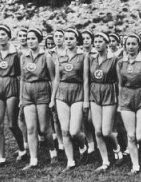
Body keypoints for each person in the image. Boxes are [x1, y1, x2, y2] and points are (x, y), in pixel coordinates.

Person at [49, 28, 89, 172]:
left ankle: (83, 147)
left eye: (71, 38)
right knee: (64, 130)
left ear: (77, 40)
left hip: (78, 93)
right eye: (66, 39)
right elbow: (57, 79)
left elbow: (85, 80)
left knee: (74, 131)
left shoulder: (83, 56)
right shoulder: (59, 56)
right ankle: (71, 161)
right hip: (62, 94)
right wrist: (53, 99)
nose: (68, 41)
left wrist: (85, 100)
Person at [20, 28, 57, 170]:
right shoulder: (23, 56)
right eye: (28, 39)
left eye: (33, 38)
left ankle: (53, 152)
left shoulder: (46, 56)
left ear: (39, 40)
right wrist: (21, 98)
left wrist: (52, 98)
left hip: (42, 91)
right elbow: (22, 79)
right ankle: (33, 159)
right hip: (27, 92)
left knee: (44, 128)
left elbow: (53, 79)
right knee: (30, 128)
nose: (30, 41)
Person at [0, 24, 26, 169]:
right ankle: (2, 157)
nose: (0, 37)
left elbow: (20, 74)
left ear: (9, 36)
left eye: (3, 34)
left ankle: (23, 150)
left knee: (12, 124)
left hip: (12, 85)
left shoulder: (16, 52)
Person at [117, 33, 141, 174]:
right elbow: (120, 85)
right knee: (131, 136)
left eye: (133, 44)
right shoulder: (120, 62)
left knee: (140, 137)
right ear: (125, 46)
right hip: (126, 99)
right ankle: (135, 165)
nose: (130, 47)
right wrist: (120, 102)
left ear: (139, 45)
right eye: (128, 44)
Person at [90, 32, 123, 172]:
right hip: (95, 93)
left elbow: (119, 82)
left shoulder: (114, 59)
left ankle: (117, 148)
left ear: (106, 43)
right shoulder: (92, 59)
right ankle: (105, 161)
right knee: (97, 131)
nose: (97, 44)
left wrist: (120, 101)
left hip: (109, 93)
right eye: (95, 41)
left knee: (106, 131)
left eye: (100, 41)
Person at [48, 29, 65, 152]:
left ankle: (70, 138)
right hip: (53, 84)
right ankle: (60, 141)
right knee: (55, 116)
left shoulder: (68, 51)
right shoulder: (49, 53)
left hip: (66, 84)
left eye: (60, 36)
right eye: (56, 36)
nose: (58, 38)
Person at [81, 29, 96, 154]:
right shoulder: (79, 53)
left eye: (88, 38)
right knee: (84, 117)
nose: (85, 40)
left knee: (93, 117)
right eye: (83, 38)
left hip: (95, 87)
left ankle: (100, 139)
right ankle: (90, 143)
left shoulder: (96, 53)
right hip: (81, 87)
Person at [17, 27, 29, 151]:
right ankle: (25, 142)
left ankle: (39, 137)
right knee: (20, 115)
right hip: (17, 84)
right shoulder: (16, 52)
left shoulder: (31, 51)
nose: (23, 38)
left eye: (25, 35)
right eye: (20, 35)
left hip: (30, 84)